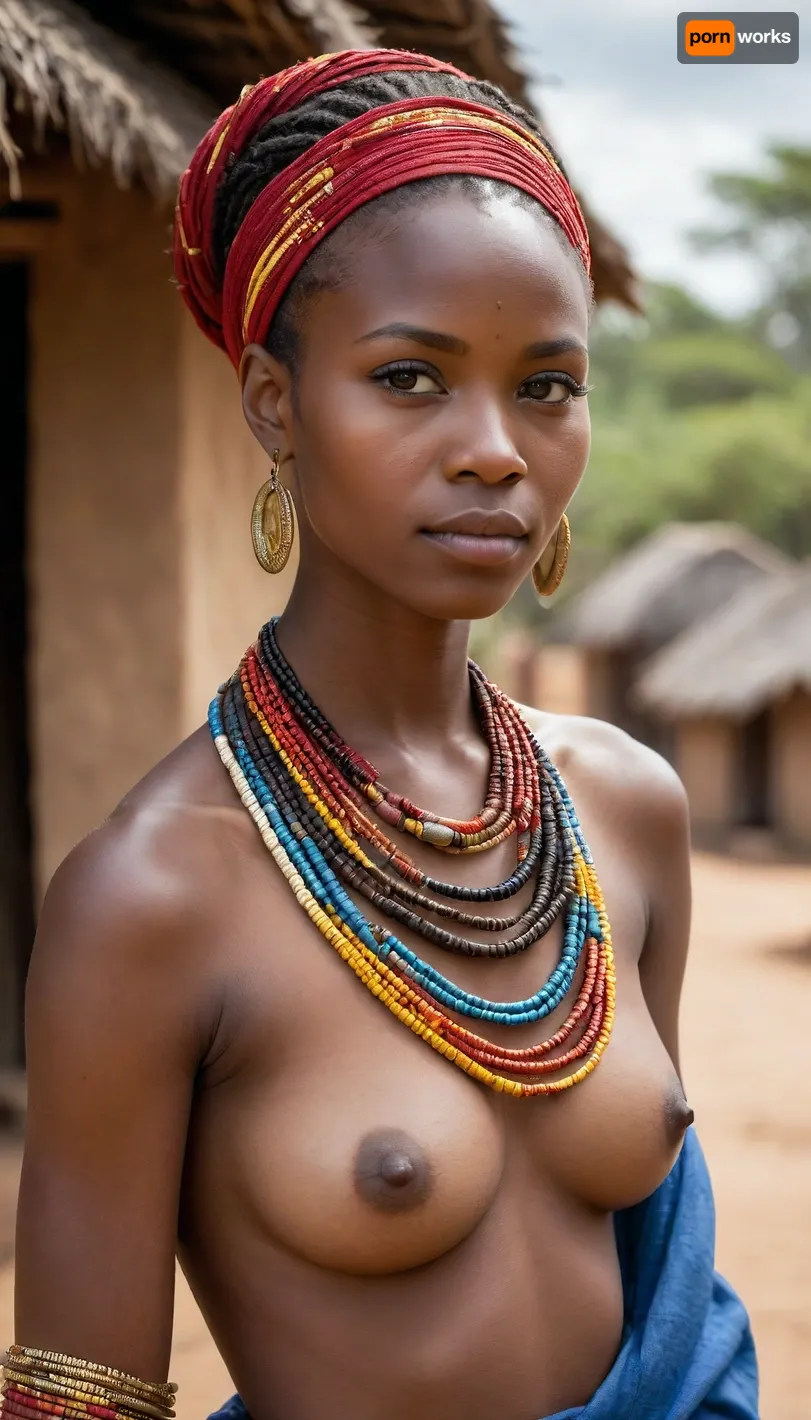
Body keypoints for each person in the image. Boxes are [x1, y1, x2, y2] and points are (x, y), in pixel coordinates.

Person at [9, 48, 757, 1420]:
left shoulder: (624, 810)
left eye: (545, 384)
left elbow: (662, 1282)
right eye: (411, 378)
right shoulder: (155, 897)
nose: (494, 449)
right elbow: (80, 1404)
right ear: (273, 406)